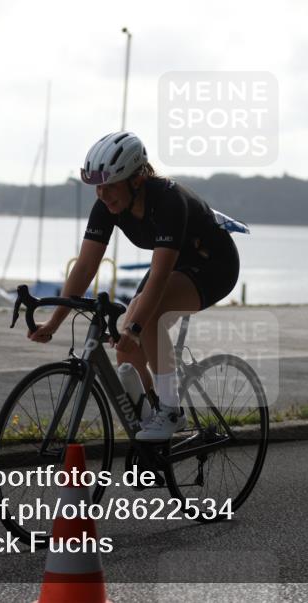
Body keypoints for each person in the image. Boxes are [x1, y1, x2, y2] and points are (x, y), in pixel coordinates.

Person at [27, 131, 240, 441]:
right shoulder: (106, 205)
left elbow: (159, 276)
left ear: (136, 179)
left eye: (110, 185)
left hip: (214, 265)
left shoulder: (169, 200)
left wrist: (135, 329)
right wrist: (55, 321)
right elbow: (85, 266)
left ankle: (171, 411)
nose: (102, 194)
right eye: (97, 186)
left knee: (146, 320)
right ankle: (152, 419)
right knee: (127, 352)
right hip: (174, 265)